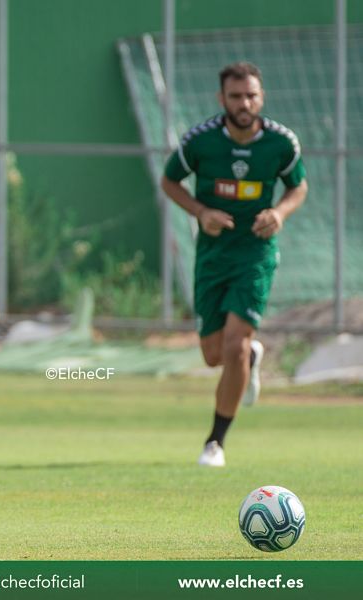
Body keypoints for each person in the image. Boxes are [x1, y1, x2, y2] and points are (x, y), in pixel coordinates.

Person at [161, 61, 307, 467]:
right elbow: (169, 181)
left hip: (255, 254)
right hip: (212, 254)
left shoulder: (281, 143)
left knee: (235, 344)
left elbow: (298, 187)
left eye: (252, 95)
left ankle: (215, 443)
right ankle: (248, 359)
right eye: (236, 96)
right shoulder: (200, 141)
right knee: (213, 355)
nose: (245, 103)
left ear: (262, 96)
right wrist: (200, 211)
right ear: (221, 98)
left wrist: (279, 213)